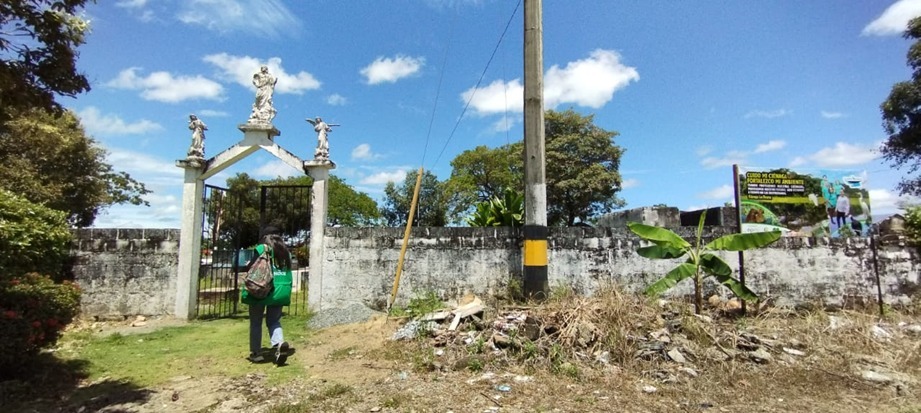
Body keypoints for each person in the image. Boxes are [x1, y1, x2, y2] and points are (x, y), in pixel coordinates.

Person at [242, 226, 292, 365]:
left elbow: (252, 267)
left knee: (256, 322)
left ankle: (256, 353)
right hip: (280, 291)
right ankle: (279, 344)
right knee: (274, 321)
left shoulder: (261, 249)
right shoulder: (285, 251)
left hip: (261, 290)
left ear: (264, 237)